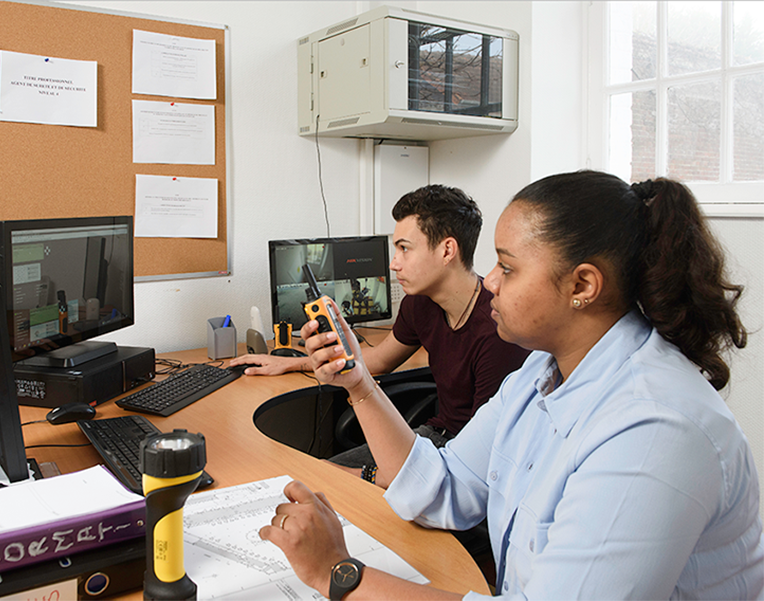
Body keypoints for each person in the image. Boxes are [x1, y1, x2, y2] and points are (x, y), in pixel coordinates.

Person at [260, 170, 763, 600]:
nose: (490, 282)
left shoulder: (655, 428)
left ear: (582, 285)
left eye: (508, 266)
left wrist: (339, 573)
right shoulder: (539, 373)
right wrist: (359, 384)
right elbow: (442, 486)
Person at [231, 185, 529, 487]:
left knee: (322, 480)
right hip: (432, 438)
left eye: (404, 248)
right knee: (315, 475)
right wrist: (293, 363)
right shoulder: (420, 303)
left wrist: (367, 475)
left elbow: (481, 464)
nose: (393, 263)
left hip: (461, 462)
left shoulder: (498, 332)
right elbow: (378, 361)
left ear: (447, 251)